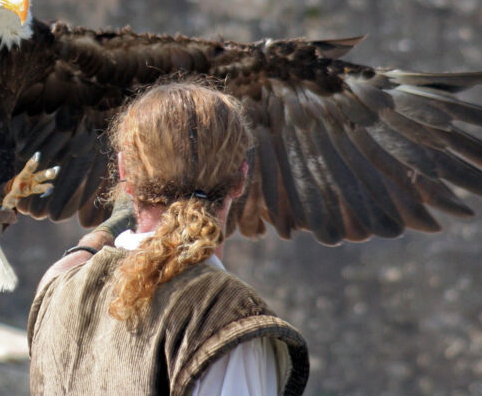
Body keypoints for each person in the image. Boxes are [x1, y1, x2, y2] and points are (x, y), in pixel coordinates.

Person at [27, 81, 309, 395]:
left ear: (124, 174)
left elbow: (64, 271)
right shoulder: (228, 318)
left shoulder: (58, 291)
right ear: (241, 177)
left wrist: (98, 237)